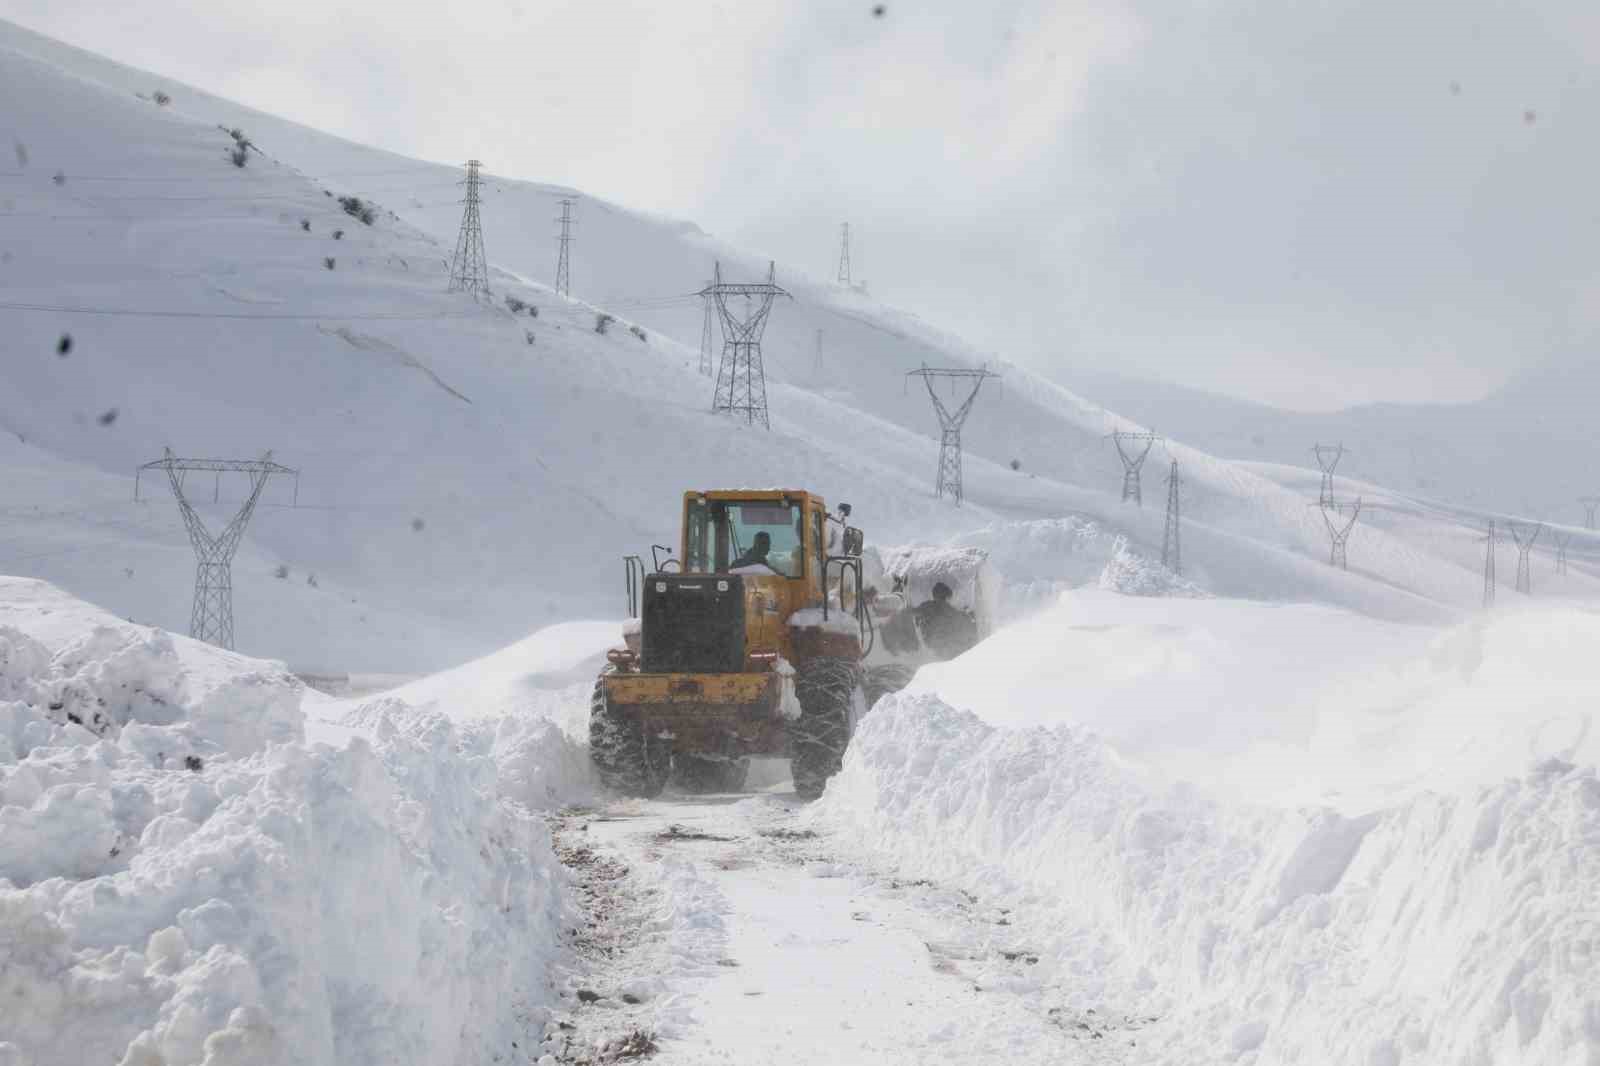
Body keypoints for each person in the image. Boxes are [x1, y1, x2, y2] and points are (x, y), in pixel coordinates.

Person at [912, 581, 979, 660]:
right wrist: (971, 616)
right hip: (948, 648)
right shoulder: (947, 609)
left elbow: (914, 612)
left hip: (933, 646)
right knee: (971, 639)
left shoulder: (926, 606)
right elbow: (962, 622)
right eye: (949, 598)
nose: (950, 600)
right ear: (946, 596)